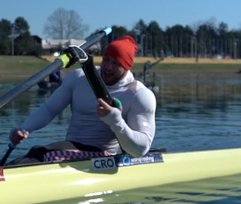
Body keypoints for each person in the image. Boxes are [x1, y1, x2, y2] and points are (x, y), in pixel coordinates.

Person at [8, 35, 156, 164]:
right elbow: (49, 109)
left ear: (127, 66)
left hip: (102, 157)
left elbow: (140, 150)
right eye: (106, 59)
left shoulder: (138, 95)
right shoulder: (80, 77)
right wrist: (25, 128)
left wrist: (116, 121)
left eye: (116, 63)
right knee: (36, 154)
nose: (108, 67)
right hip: (69, 149)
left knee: (41, 152)